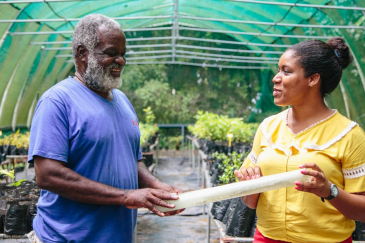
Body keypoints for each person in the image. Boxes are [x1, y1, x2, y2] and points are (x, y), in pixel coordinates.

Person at [27, 14, 184, 243]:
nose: (120, 61)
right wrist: (127, 196)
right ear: (83, 53)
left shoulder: (122, 101)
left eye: (123, 54)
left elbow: (134, 161)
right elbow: (48, 175)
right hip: (66, 238)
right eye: (111, 53)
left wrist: (157, 186)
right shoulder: (58, 101)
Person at [234, 37, 365, 243]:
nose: (276, 78)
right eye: (278, 70)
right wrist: (251, 185)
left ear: (313, 79)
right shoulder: (268, 127)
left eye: (286, 71)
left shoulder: (349, 135)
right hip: (266, 238)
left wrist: (329, 190)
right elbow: (250, 202)